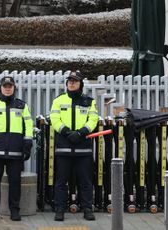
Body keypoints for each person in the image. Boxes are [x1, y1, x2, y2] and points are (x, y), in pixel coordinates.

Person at [0, 76, 33, 222]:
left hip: (15, 151)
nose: (8, 88)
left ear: (14, 87)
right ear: (1, 88)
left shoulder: (22, 106)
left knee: (15, 183)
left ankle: (15, 211)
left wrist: (27, 143)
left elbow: (29, 125)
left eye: (10, 86)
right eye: (5, 86)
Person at [50, 70, 98, 221]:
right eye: (69, 80)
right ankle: (60, 209)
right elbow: (54, 118)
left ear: (80, 84)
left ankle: (87, 209)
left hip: (83, 148)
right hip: (64, 147)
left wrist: (81, 132)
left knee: (85, 181)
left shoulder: (89, 101)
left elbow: (93, 119)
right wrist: (66, 132)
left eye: (75, 81)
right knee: (60, 182)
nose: (71, 83)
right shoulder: (58, 100)